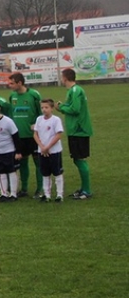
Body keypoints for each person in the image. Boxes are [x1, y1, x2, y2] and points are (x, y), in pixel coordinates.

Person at [56, 68, 94, 200]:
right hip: (75, 130)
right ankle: (84, 188)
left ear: (65, 78)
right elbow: (72, 107)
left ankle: (87, 190)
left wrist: (61, 108)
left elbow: (75, 109)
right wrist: (63, 106)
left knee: (79, 159)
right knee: (77, 159)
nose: (61, 79)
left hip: (79, 130)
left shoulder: (75, 90)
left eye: (62, 77)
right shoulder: (73, 91)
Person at [8, 72, 43, 198]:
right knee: (22, 162)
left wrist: (37, 125)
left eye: (12, 83)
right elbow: (11, 115)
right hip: (19, 136)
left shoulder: (34, 94)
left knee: (38, 162)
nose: (10, 85)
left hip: (33, 136)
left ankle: (40, 189)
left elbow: (42, 113)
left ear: (20, 83)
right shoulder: (12, 96)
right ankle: (24, 189)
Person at [0, 104, 21, 202]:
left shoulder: (8, 122)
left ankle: (13, 194)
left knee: (12, 171)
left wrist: (18, 152)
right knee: (1, 172)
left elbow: (16, 137)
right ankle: (4, 194)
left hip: (9, 151)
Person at [34, 99, 65, 202]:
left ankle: (59, 194)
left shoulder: (56, 120)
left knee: (57, 172)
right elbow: (35, 134)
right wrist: (42, 147)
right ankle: (47, 194)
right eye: (42, 107)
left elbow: (58, 135)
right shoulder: (39, 119)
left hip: (54, 151)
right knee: (45, 173)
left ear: (52, 108)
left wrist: (48, 147)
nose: (44, 109)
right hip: (42, 151)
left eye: (46, 107)